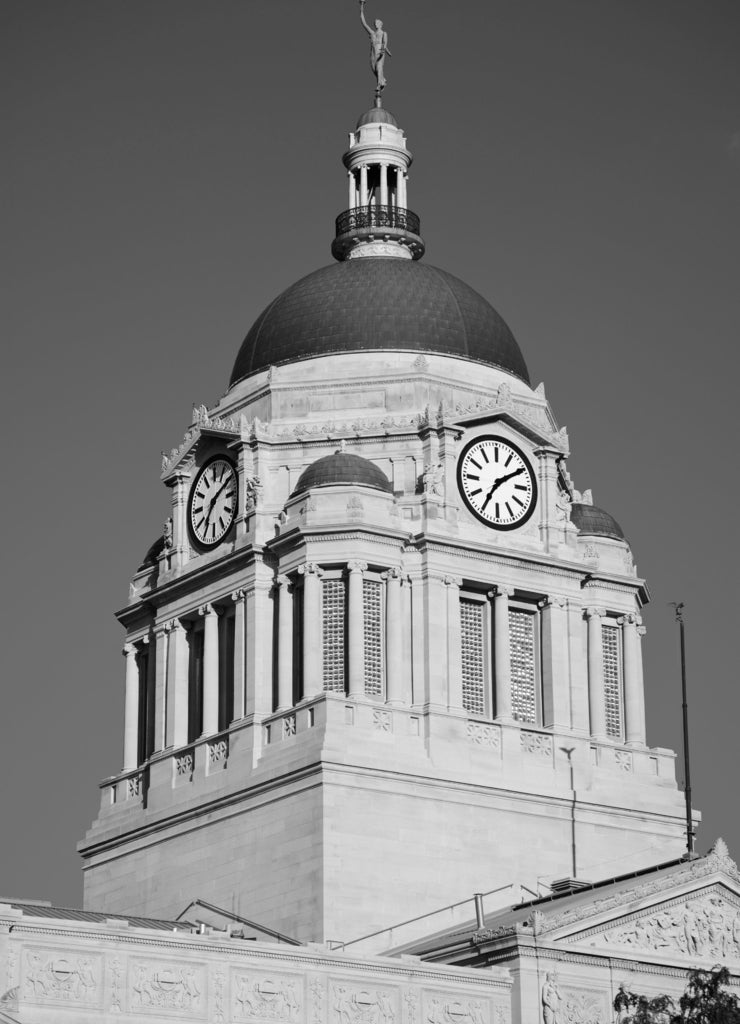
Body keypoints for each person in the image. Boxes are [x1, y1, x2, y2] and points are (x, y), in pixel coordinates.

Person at [359, 1, 391, 91]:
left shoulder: (384, 33)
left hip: (380, 50)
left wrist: (383, 51)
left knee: (379, 67)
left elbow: (385, 43)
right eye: (375, 23)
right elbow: (364, 23)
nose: (375, 24)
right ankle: (382, 79)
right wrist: (361, 7)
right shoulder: (372, 33)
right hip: (373, 52)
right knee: (374, 68)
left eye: (377, 23)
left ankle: (379, 84)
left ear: (380, 24)